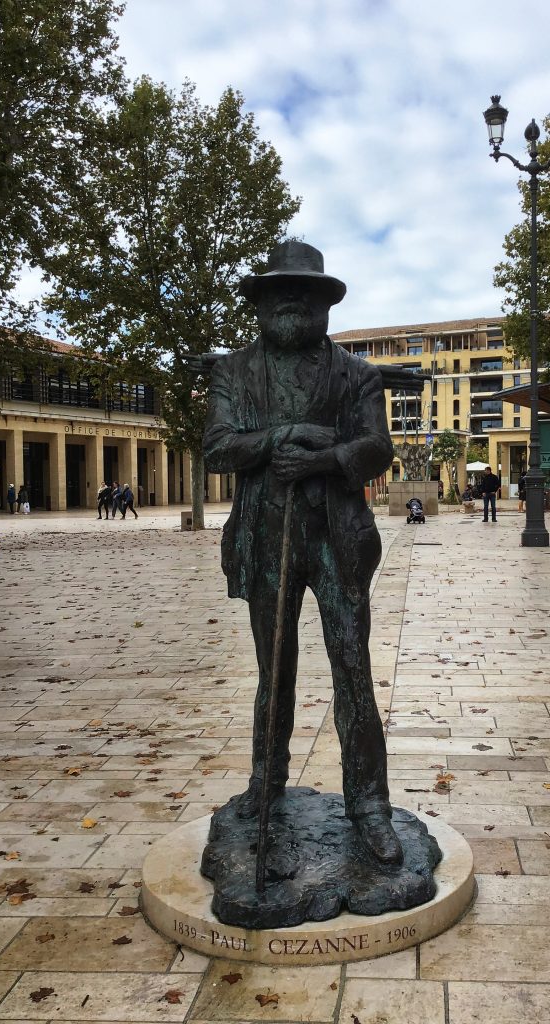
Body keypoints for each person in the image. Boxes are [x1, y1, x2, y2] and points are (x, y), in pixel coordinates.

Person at [204, 239, 400, 864]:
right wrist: (283, 436)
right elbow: (217, 447)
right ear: (259, 304)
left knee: (352, 670)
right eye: (276, 293)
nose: (291, 302)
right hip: (266, 536)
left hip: (338, 537)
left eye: (305, 294)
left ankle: (368, 803)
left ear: (324, 305)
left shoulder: (357, 374)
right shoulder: (233, 371)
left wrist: (323, 459)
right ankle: (267, 787)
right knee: (275, 670)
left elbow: (377, 447)